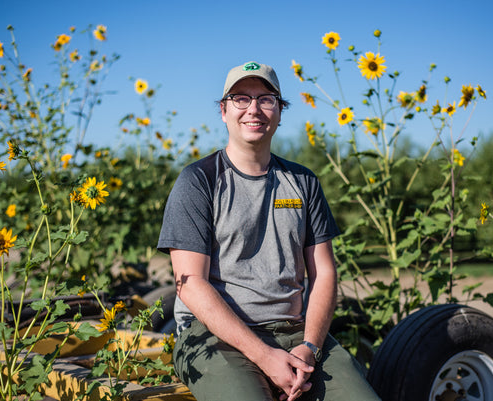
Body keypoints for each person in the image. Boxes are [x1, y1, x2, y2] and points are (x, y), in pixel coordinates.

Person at [157, 61, 380, 401]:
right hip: (211, 338)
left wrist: (309, 347)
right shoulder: (199, 180)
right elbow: (191, 285)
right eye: (241, 98)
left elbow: (324, 274)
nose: (254, 109)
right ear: (223, 110)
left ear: (279, 110)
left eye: (266, 99)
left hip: (295, 333)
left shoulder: (303, 182)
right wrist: (264, 356)